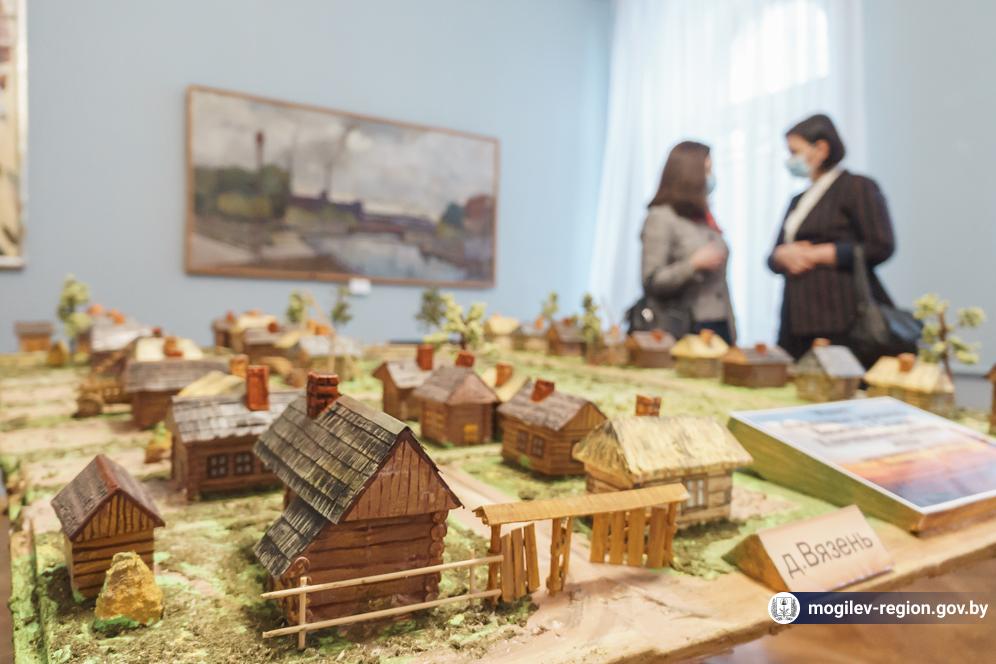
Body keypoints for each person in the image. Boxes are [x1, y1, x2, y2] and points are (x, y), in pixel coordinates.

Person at [768, 114, 896, 365]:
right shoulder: (798, 200)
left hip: (841, 317)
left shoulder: (857, 187)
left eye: (795, 152)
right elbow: (772, 257)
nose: (790, 159)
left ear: (821, 149)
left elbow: (881, 245)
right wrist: (781, 256)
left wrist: (821, 254)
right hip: (795, 317)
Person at [640, 140, 736, 343]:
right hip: (683, 327)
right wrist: (693, 265)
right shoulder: (661, 217)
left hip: (719, 326)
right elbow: (652, 281)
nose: (711, 177)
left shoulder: (705, 218)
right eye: (706, 171)